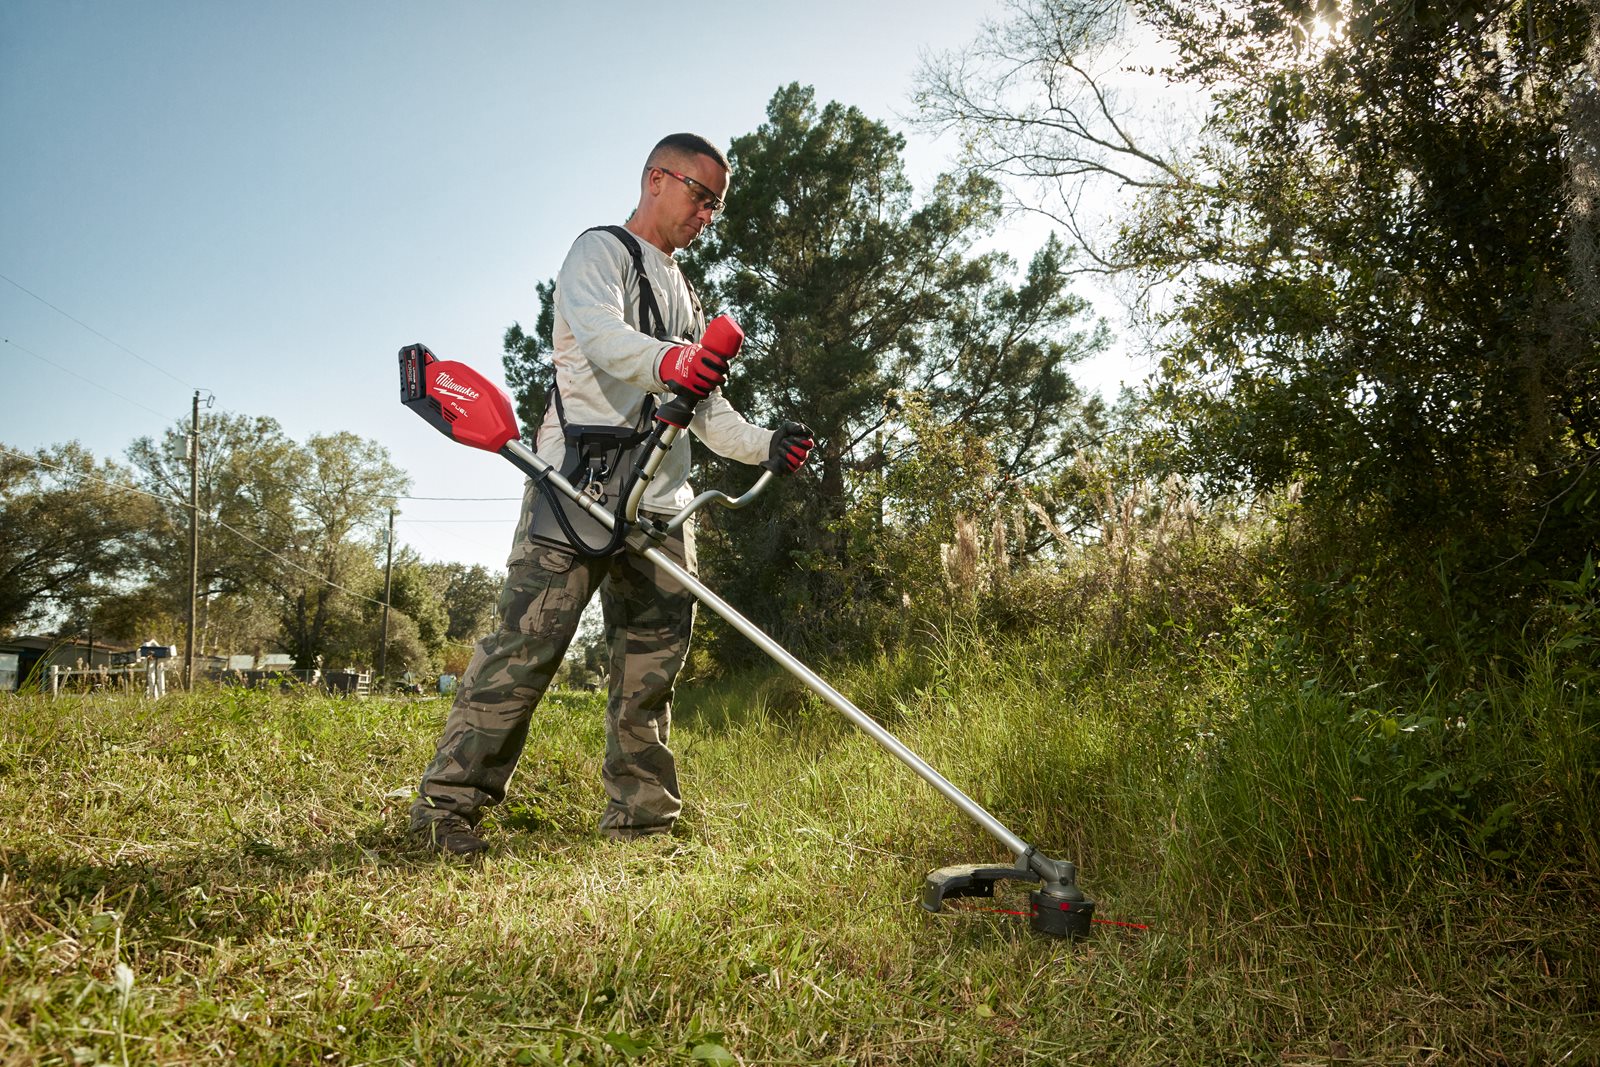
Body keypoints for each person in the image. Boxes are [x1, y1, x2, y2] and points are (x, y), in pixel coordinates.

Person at [410, 132, 815, 857]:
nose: (708, 215)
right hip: (577, 490)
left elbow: (709, 413)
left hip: (662, 506)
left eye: (717, 206)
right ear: (657, 178)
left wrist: (766, 445)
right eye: (701, 196)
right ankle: (447, 810)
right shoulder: (599, 254)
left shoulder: (687, 295)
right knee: (522, 653)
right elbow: (604, 339)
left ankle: (642, 823)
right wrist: (678, 361)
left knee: (649, 673)